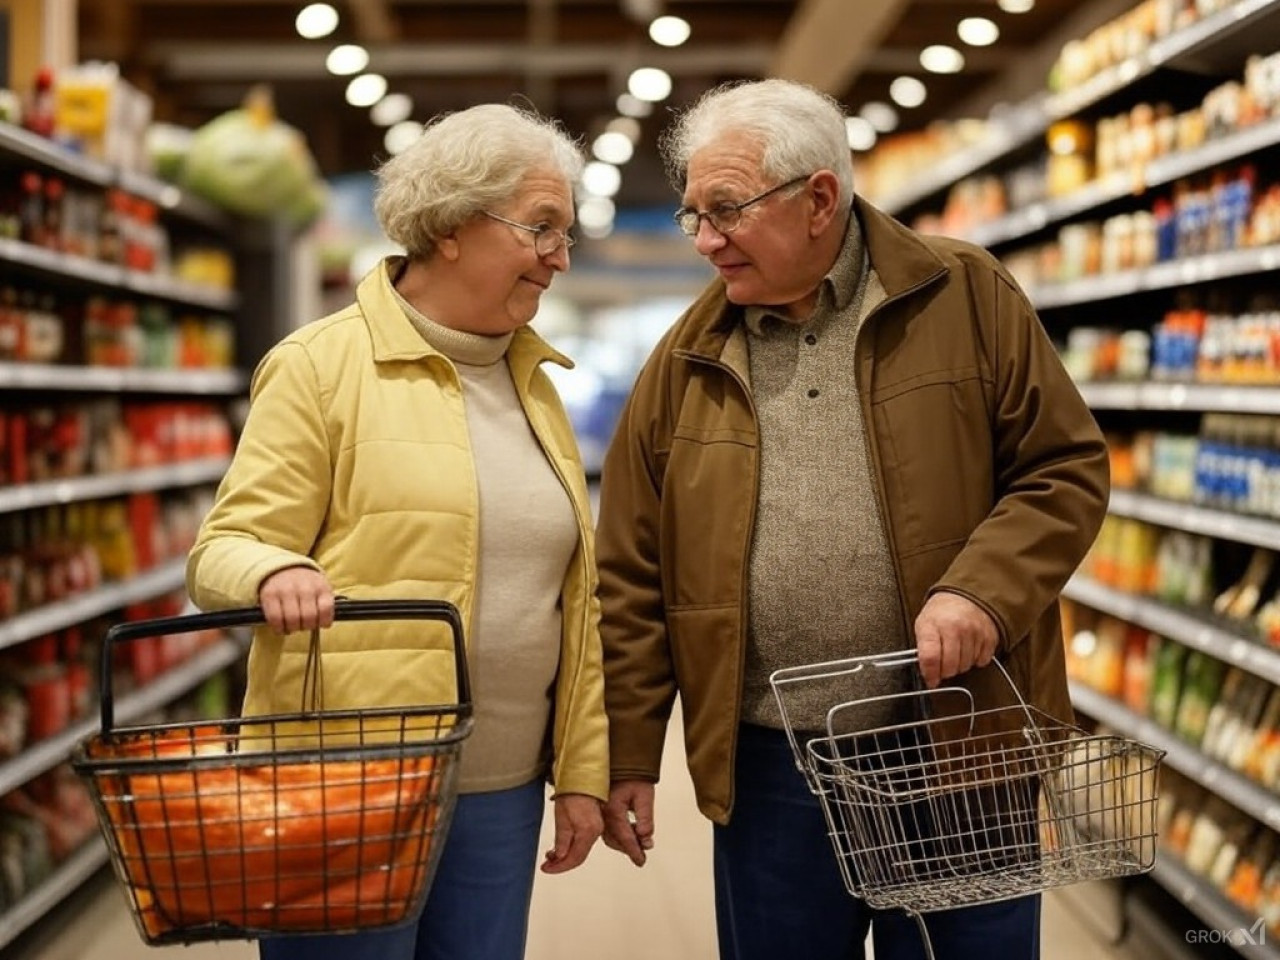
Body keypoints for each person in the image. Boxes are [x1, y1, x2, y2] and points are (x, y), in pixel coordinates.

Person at [594, 78, 1110, 960]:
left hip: (958, 746)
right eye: (692, 215)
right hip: (774, 767)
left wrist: (981, 595)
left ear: (819, 198)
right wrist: (630, 756)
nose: (706, 240)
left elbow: (1063, 468)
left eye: (725, 210)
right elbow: (634, 578)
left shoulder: (965, 296)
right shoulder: (685, 360)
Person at [186, 102, 608, 960]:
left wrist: (583, 773)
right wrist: (272, 572)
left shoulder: (534, 386)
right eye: (542, 229)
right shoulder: (318, 366)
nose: (561, 257)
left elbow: (574, 603)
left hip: (503, 785)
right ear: (452, 225)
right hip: (350, 779)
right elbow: (220, 548)